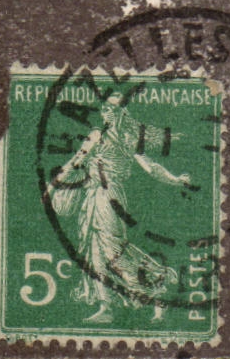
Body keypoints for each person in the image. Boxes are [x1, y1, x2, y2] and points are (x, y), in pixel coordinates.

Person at [46, 92, 189, 322]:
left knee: (114, 251)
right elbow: (74, 162)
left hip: (110, 195)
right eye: (105, 108)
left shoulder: (128, 139)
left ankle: (156, 289)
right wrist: (51, 188)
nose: (107, 112)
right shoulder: (95, 135)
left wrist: (175, 180)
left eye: (113, 109)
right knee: (94, 253)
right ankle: (107, 308)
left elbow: (151, 167)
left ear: (123, 113)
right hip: (92, 196)